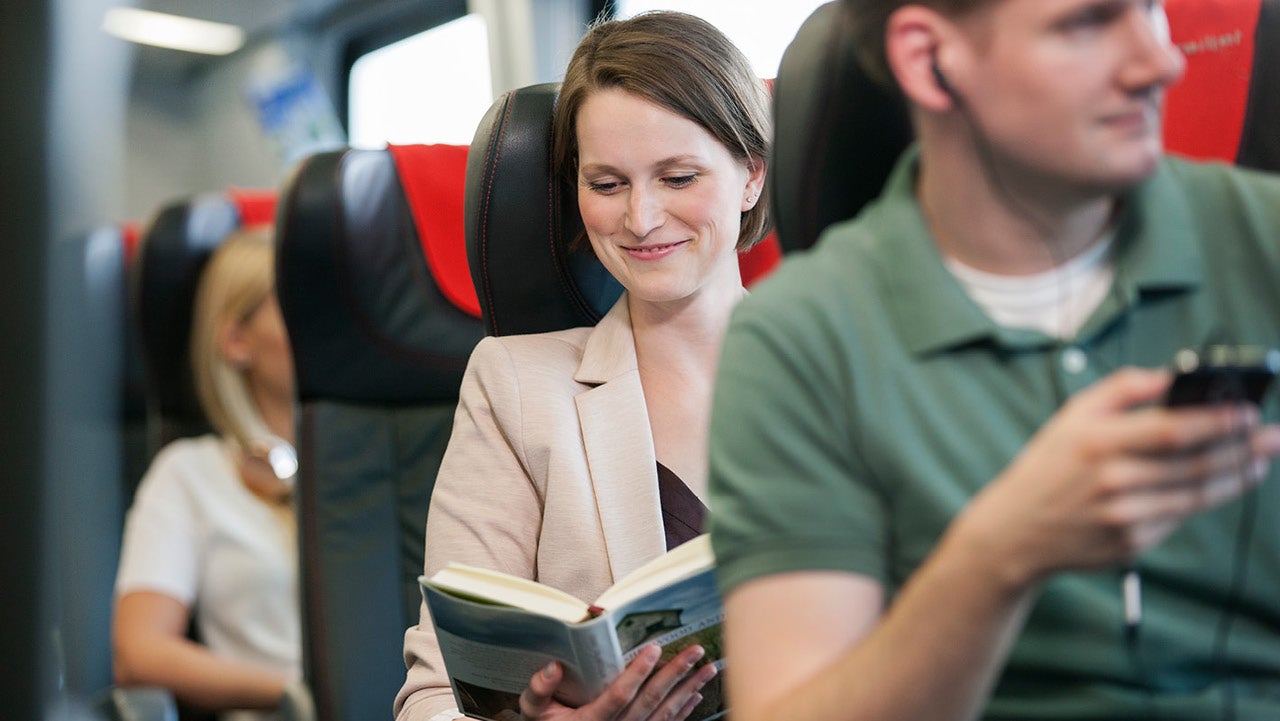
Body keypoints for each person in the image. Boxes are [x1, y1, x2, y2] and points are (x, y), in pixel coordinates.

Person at [708, 1, 1280, 720]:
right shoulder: (799, 340)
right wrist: (998, 555)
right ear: (930, 59)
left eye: (1150, 9)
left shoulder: (1264, 242)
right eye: (1087, 23)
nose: (1160, 62)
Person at [394, 11, 769, 721]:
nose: (641, 218)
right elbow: (433, 697)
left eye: (678, 176)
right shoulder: (515, 386)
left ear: (751, 175)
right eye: (606, 184)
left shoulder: (849, 369)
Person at [113, 227, 301, 721]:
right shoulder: (189, 474)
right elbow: (139, 652)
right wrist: (293, 694)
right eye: (295, 304)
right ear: (237, 341)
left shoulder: (389, 465)